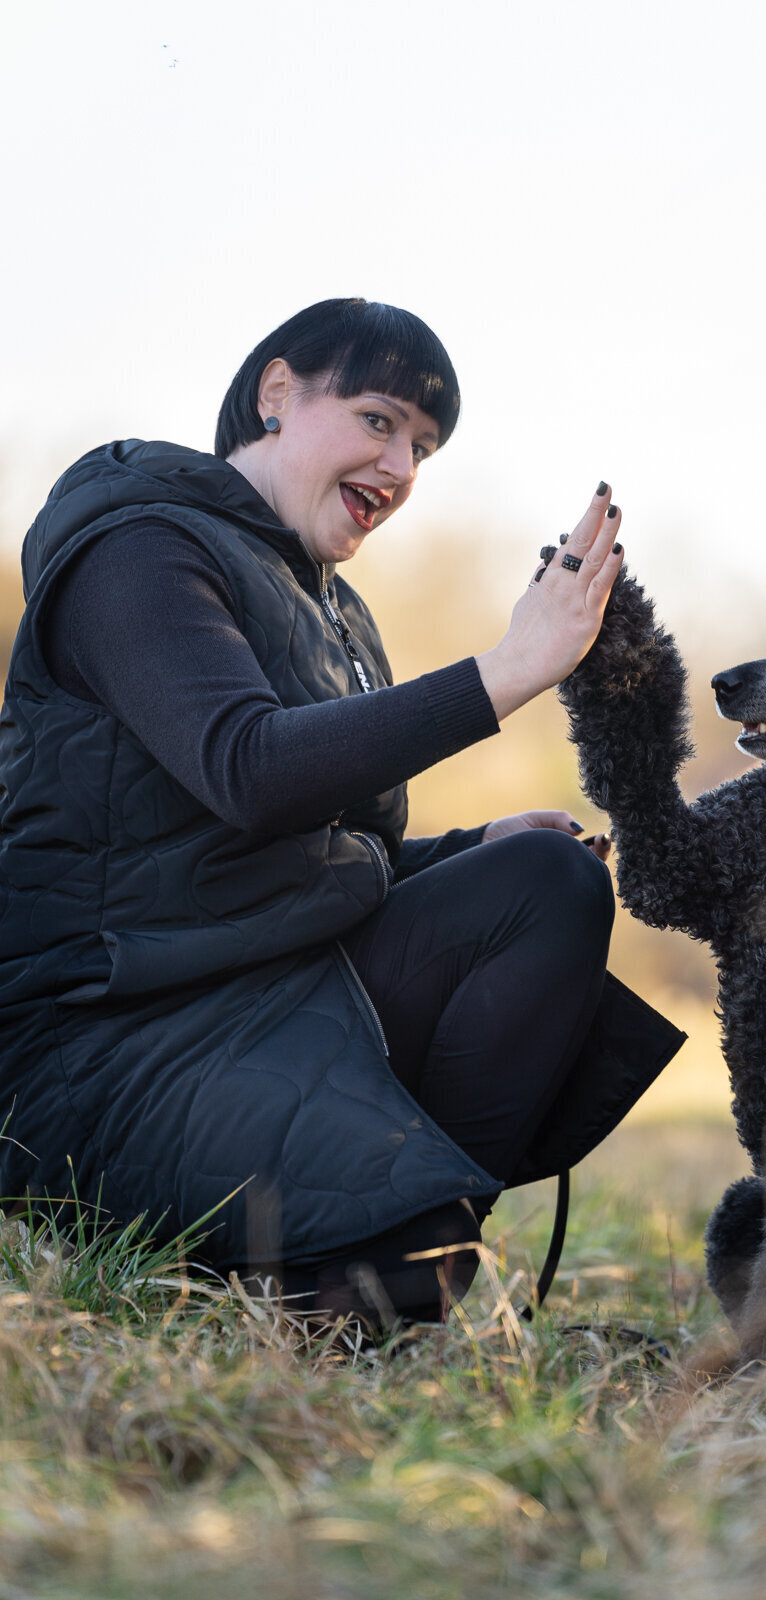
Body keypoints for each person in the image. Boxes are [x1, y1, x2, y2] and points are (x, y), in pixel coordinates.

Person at [0, 298, 684, 1327]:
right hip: (112, 1041)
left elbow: (325, 849)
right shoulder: (135, 550)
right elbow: (248, 771)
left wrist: (470, 846)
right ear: (277, 394)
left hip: (272, 998)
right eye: (377, 420)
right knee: (382, 1278)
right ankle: (355, 1270)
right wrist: (505, 671)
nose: (401, 467)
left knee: (546, 885)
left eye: (421, 444)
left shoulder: (334, 611)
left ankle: (408, 1245)